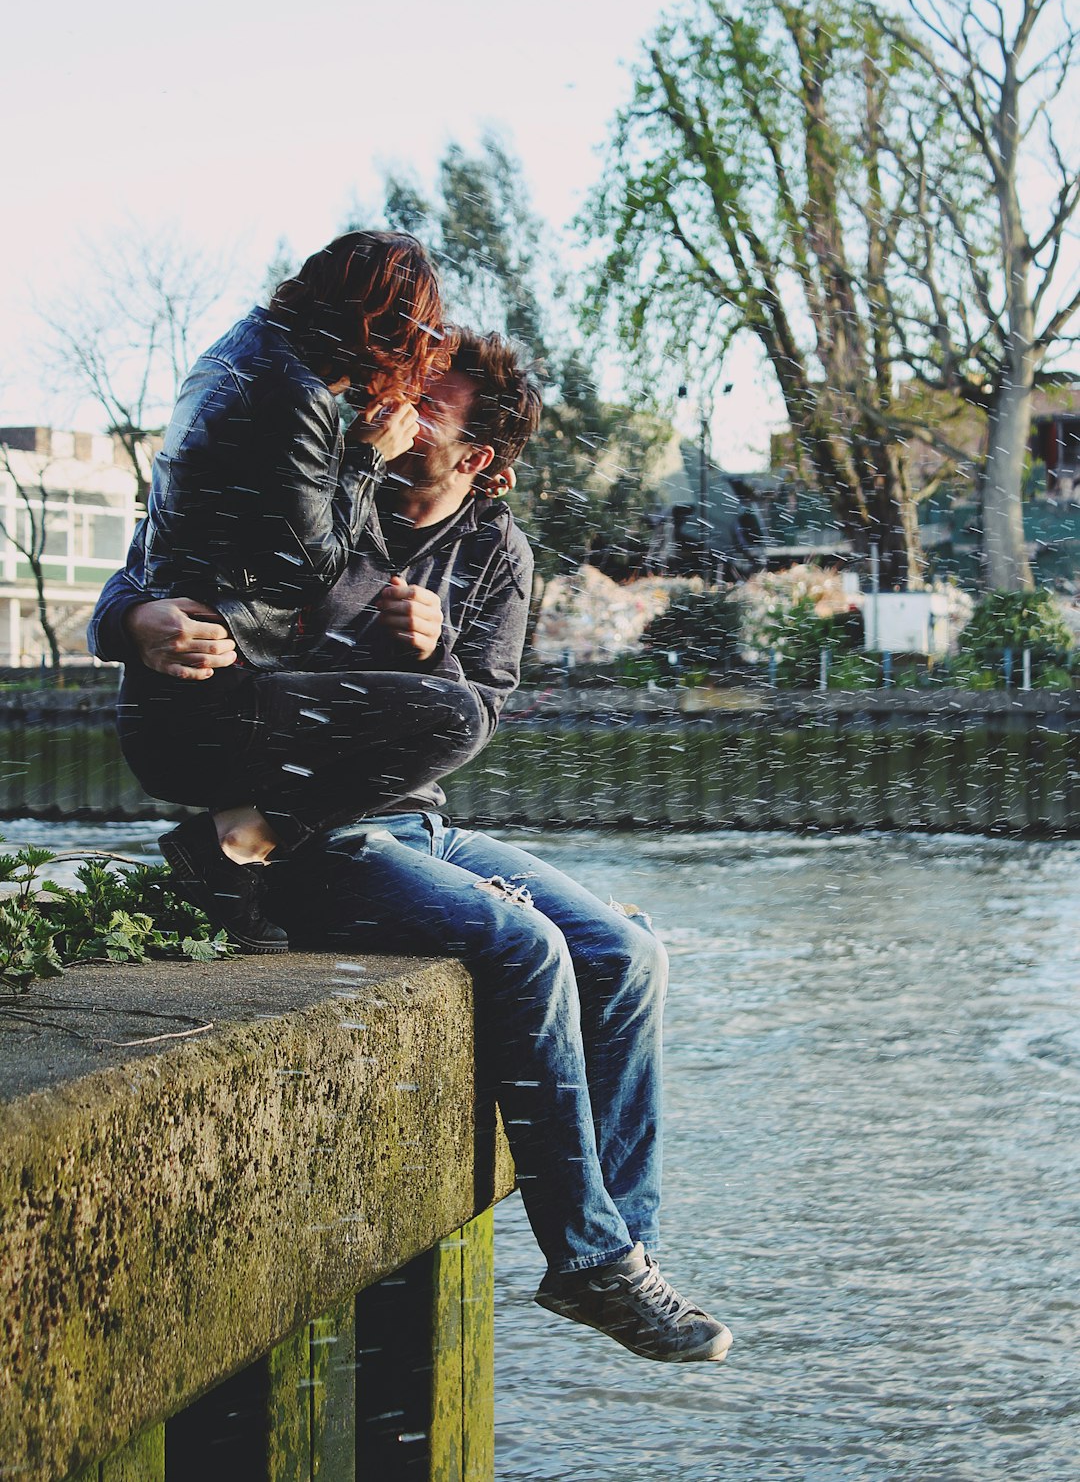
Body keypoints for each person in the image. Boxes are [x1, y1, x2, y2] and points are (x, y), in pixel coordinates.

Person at [88, 326, 733, 1366]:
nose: (393, 403)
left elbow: (474, 715)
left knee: (627, 954)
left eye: (429, 401)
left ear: (477, 457)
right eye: (403, 382)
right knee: (522, 948)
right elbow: (137, 576)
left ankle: (621, 1253)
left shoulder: (495, 553)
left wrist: (432, 653)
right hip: (318, 826)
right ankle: (589, 1258)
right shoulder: (316, 488)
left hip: (411, 814)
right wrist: (138, 624)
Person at [111, 232, 489, 949]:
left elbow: (170, 534)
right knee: (457, 719)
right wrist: (366, 460)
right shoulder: (294, 392)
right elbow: (308, 567)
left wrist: (125, 621)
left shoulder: (230, 354)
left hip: (166, 704)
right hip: (213, 712)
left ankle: (247, 846)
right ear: (382, 332)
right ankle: (236, 848)